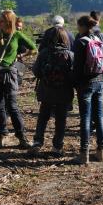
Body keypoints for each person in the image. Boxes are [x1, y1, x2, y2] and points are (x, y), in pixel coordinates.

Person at [0, 10, 37, 148]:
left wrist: (21, 57)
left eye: (2, 21)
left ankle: (22, 137)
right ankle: (2, 136)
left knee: (12, 106)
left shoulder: (17, 35)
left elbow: (34, 48)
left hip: (11, 73)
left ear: (8, 22)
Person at [30, 27, 74, 157]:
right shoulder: (70, 55)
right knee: (61, 120)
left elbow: (36, 71)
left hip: (46, 90)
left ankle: (37, 142)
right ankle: (57, 146)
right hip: (64, 92)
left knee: (43, 117)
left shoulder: (44, 53)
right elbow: (74, 75)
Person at [73, 15, 103, 164]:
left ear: (82, 27)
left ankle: (84, 154)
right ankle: (101, 152)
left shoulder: (80, 42)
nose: (77, 28)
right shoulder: (98, 40)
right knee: (99, 117)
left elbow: (77, 67)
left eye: (78, 26)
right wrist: (102, 78)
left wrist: (76, 83)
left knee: (85, 118)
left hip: (85, 84)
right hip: (99, 82)